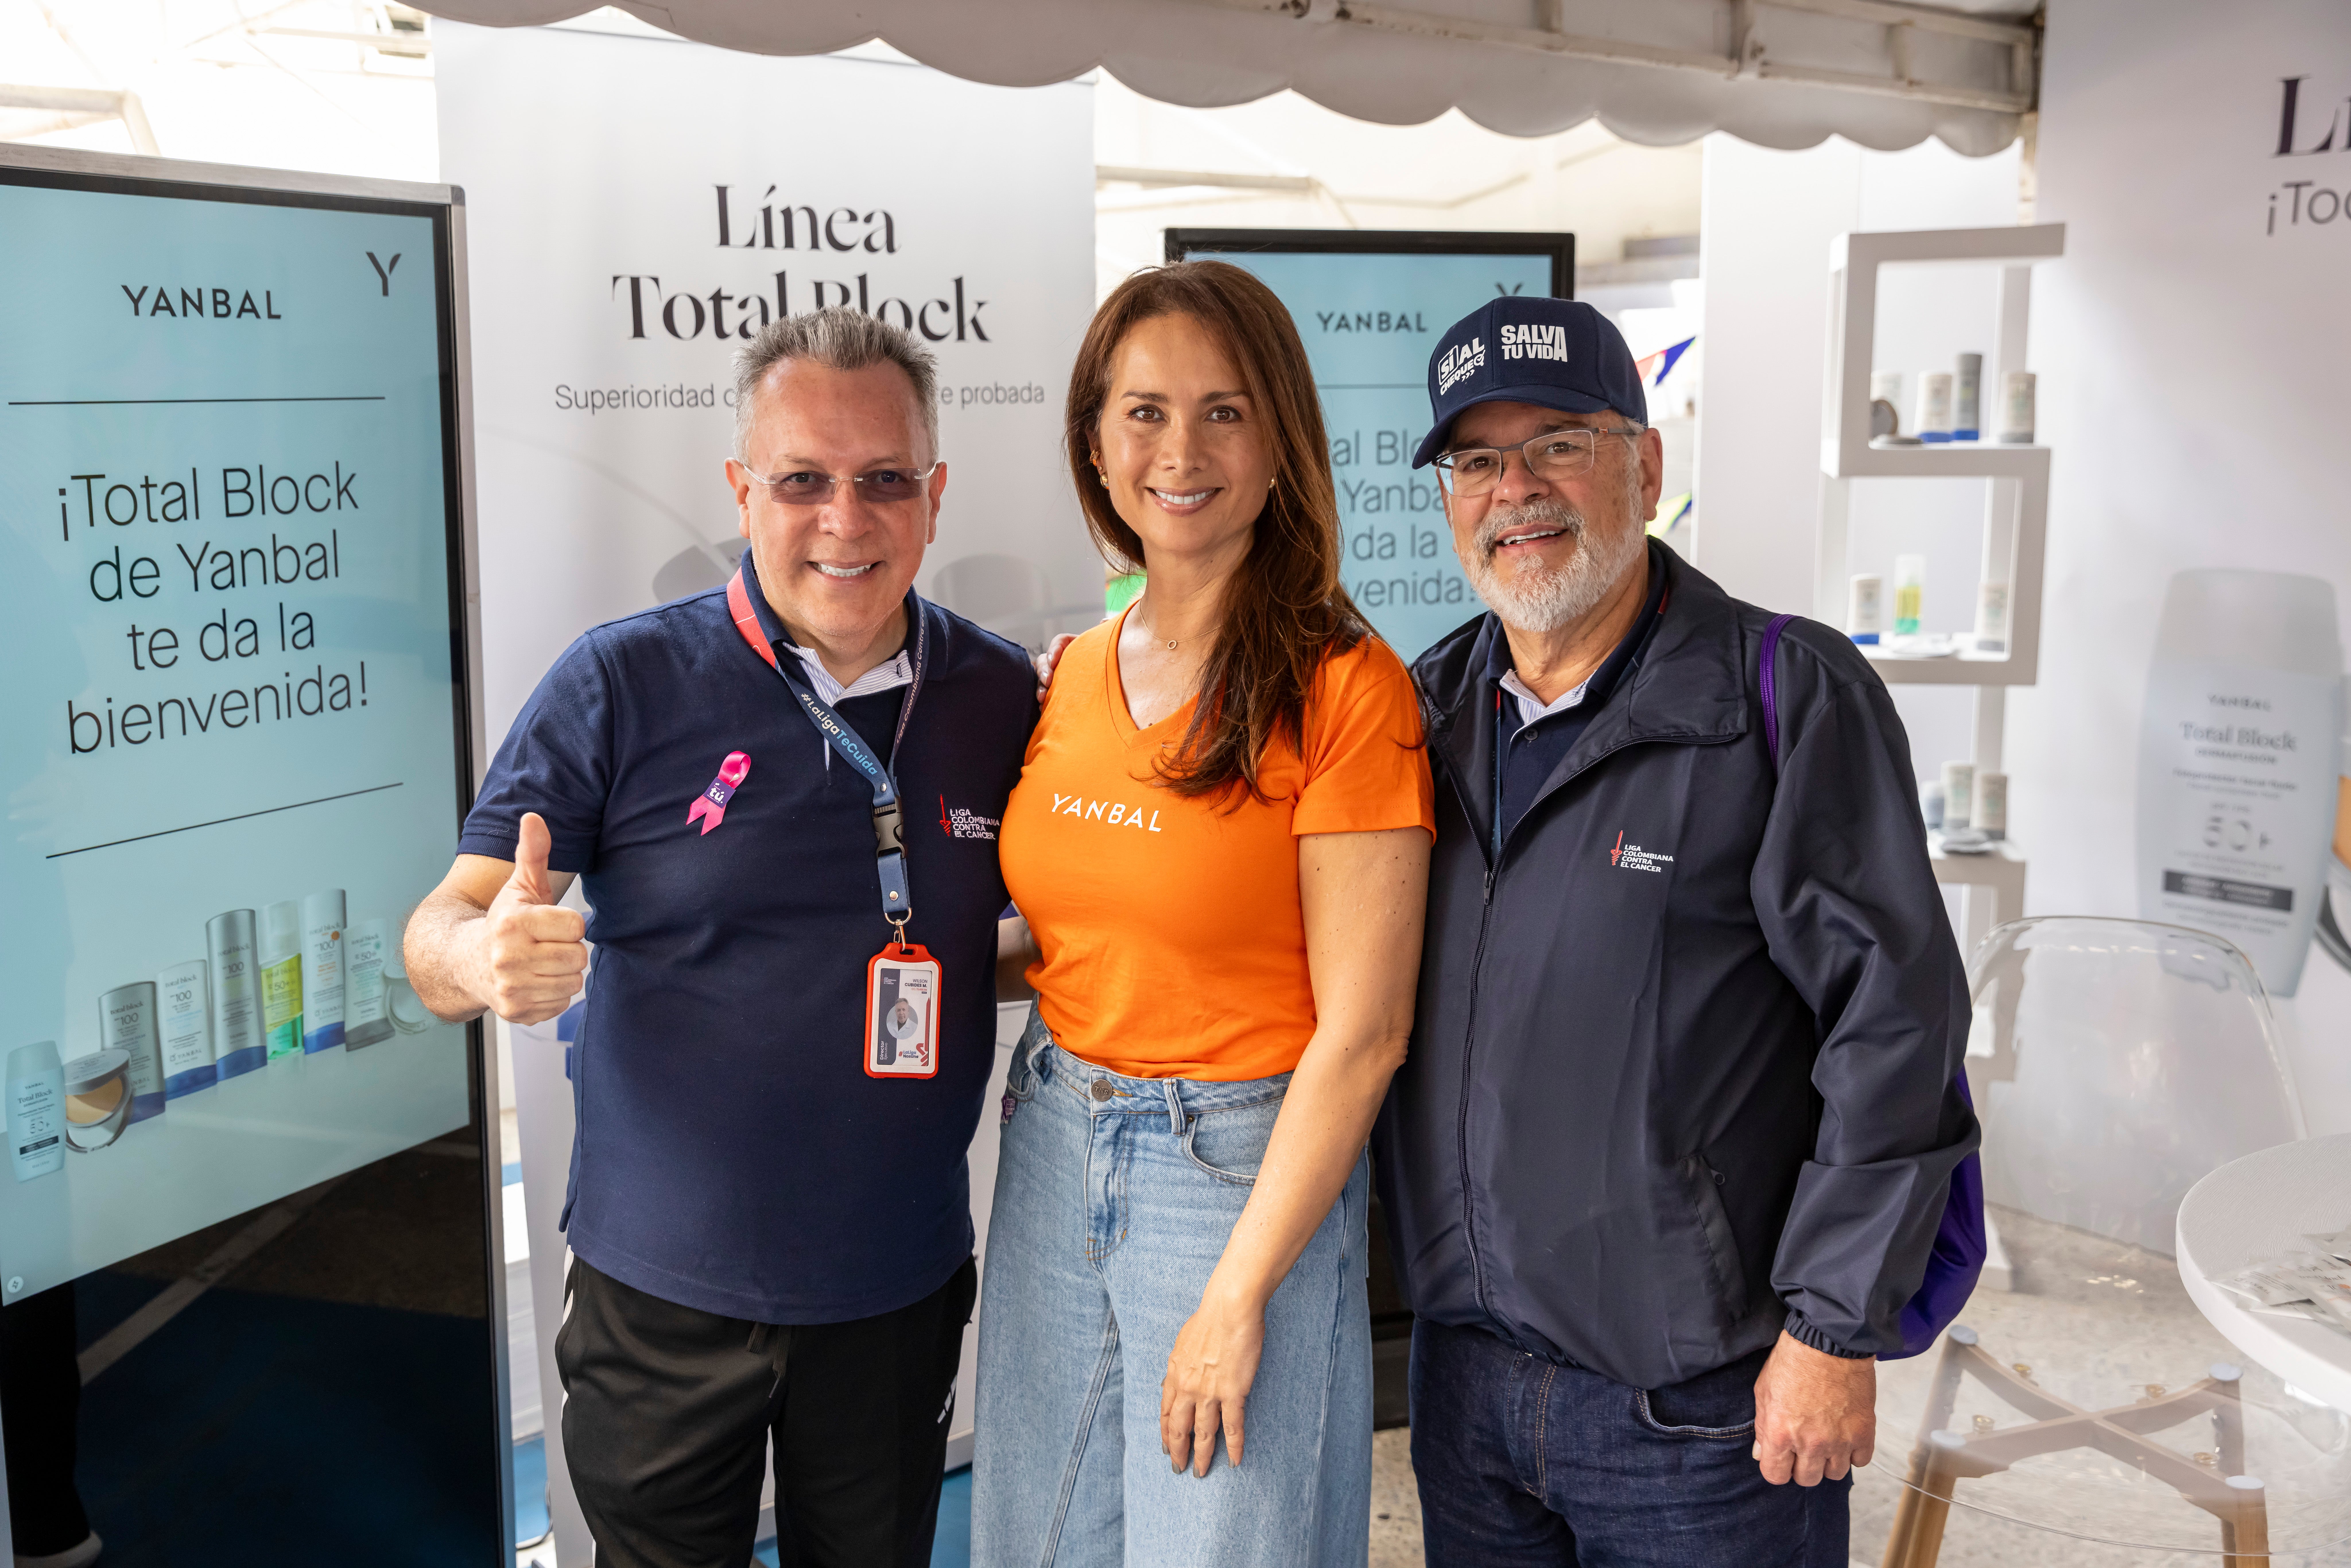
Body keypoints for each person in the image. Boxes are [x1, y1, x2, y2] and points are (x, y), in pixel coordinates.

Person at [404, 308, 1035, 1568]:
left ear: (934, 496)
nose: (843, 521)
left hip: (893, 1290)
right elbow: (442, 928)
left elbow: (1015, 938)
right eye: (801, 480)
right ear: (744, 489)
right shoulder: (621, 681)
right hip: (663, 1297)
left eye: (882, 481)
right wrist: (486, 960)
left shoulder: (1009, 697)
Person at [1372, 297, 1976, 1566]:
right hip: (1464, 1381)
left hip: (1702, 1408)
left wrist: (1831, 1332)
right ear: (1446, 501)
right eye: (1476, 461)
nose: (1514, 489)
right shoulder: (1418, 712)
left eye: (1556, 444)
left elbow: (1894, 1028)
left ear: (1642, 468)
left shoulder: (1781, 696)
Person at [974, 261, 1434, 1568]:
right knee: (1035, 1539)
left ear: (1281, 439)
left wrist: (1238, 1292)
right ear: (1094, 441)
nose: (1180, 450)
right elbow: (1082, 938)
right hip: (1056, 1130)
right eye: (1144, 412)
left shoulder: (1346, 690)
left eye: (1224, 412)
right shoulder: (1064, 671)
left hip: (1234, 1168)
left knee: (1219, 1545)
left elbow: (1364, 1032)